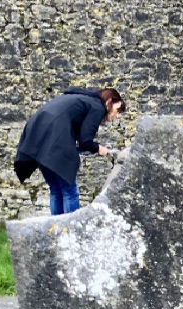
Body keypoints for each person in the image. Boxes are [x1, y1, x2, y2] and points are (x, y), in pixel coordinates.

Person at [14, 87, 125, 215]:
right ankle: (71, 227)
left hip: (38, 135)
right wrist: (99, 148)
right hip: (55, 138)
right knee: (70, 191)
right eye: (118, 110)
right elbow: (85, 140)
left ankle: (56, 226)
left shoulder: (84, 99)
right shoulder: (98, 107)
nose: (117, 115)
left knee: (56, 189)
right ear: (109, 101)